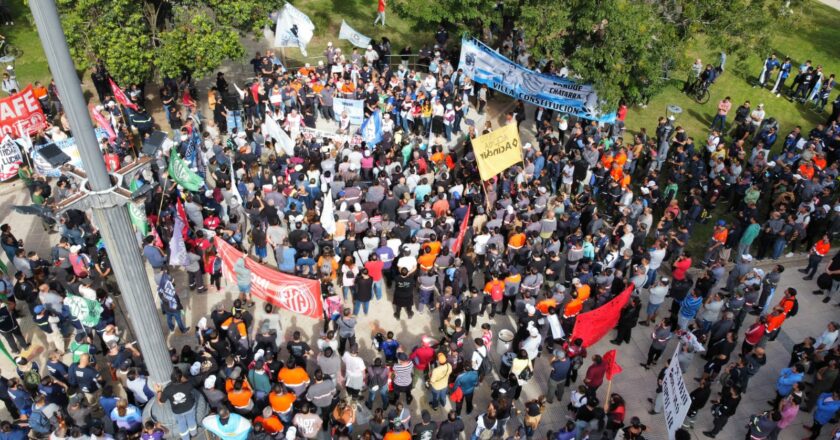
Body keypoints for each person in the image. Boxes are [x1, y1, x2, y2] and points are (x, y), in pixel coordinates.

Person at [156, 368, 199, 440]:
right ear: (181, 377)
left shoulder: (168, 389)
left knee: (182, 424)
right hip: (190, 407)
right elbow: (186, 381)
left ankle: (186, 438)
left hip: (177, 411)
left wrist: (159, 391)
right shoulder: (188, 385)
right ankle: (194, 433)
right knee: (191, 420)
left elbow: (160, 403)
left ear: (171, 378)